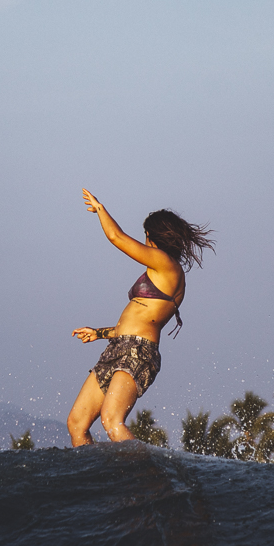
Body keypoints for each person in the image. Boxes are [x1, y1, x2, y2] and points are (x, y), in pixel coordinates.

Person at [67, 189, 214, 446]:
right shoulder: (160, 268)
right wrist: (98, 333)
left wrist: (101, 209)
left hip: (139, 351)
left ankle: (146, 477)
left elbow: (116, 237)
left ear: (153, 236)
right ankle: (89, 481)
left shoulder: (167, 265)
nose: (144, 242)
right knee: (77, 423)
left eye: (146, 236)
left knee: (111, 420)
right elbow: (137, 322)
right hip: (118, 346)